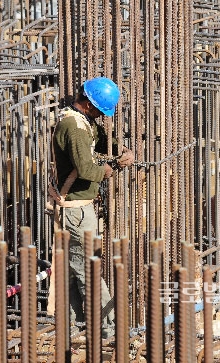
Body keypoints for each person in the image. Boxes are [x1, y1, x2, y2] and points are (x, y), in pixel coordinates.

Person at [48, 76, 133, 338]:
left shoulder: (81, 119)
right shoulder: (74, 128)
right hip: (76, 210)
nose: (100, 116)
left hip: (75, 207)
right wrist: (113, 167)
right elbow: (86, 169)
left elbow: (100, 136)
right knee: (90, 268)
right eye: (99, 111)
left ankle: (75, 325)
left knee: (75, 269)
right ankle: (109, 331)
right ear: (89, 104)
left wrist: (121, 148)